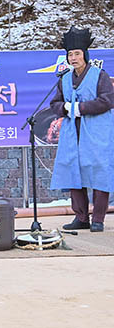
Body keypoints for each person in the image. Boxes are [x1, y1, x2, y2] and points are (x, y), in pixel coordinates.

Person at [50, 26, 114, 232]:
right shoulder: (65, 79)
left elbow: (107, 100)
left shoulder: (99, 75)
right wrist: (66, 107)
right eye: (70, 54)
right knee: (73, 172)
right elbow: (54, 103)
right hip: (72, 133)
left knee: (98, 172)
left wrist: (82, 107)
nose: (73, 58)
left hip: (96, 133)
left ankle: (98, 219)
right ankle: (81, 217)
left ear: (85, 55)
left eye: (77, 54)